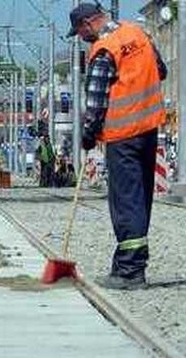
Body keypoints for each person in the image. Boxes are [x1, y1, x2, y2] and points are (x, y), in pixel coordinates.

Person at [68, 3, 167, 290]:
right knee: (140, 200)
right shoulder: (137, 34)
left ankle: (130, 272)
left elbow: (96, 99)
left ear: (88, 23)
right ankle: (127, 263)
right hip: (148, 130)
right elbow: (160, 71)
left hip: (122, 135)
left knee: (125, 203)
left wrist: (89, 132)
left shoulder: (103, 49)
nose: (81, 37)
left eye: (79, 31)